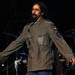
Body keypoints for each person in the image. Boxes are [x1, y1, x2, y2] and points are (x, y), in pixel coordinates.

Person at [0, 1, 75, 75]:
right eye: (33, 9)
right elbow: (16, 43)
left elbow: (59, 41)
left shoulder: (48, 25)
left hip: (44, 66)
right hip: (31, 67)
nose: (34, 11)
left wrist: (69, 56)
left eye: (36, 10)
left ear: (42, 13)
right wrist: (1, 56)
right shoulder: (28, 28)